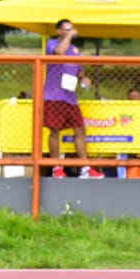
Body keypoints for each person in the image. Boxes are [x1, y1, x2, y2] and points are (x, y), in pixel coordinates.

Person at [44, 19, 103, 179]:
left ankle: (85, 167)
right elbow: (58, 52)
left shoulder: (75, 50)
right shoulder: (52, 44)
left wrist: (84, 78)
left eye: (72, 28)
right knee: (55, 130)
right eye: (66, 29)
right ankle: (56, 167)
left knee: (79, 129)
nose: (71, 31)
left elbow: (79, 70)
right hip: (54, 95)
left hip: (70, 97)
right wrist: (68, 37)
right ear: (59, 31)